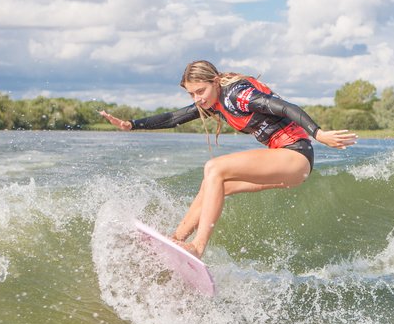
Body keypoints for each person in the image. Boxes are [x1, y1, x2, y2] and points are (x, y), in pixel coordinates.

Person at [100, 60, 357, 258]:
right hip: (284, 162)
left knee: (214, 168)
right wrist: (131, 124)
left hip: (296, 155)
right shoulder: (212, 102)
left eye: (200, 91)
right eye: (191, 94)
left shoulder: (239, 95)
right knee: (214, 184)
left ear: (215, 82)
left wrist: (319, 133)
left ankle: (198, 246)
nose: (197, 98)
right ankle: (177, 239)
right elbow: (172, 118)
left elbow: (285, 107)